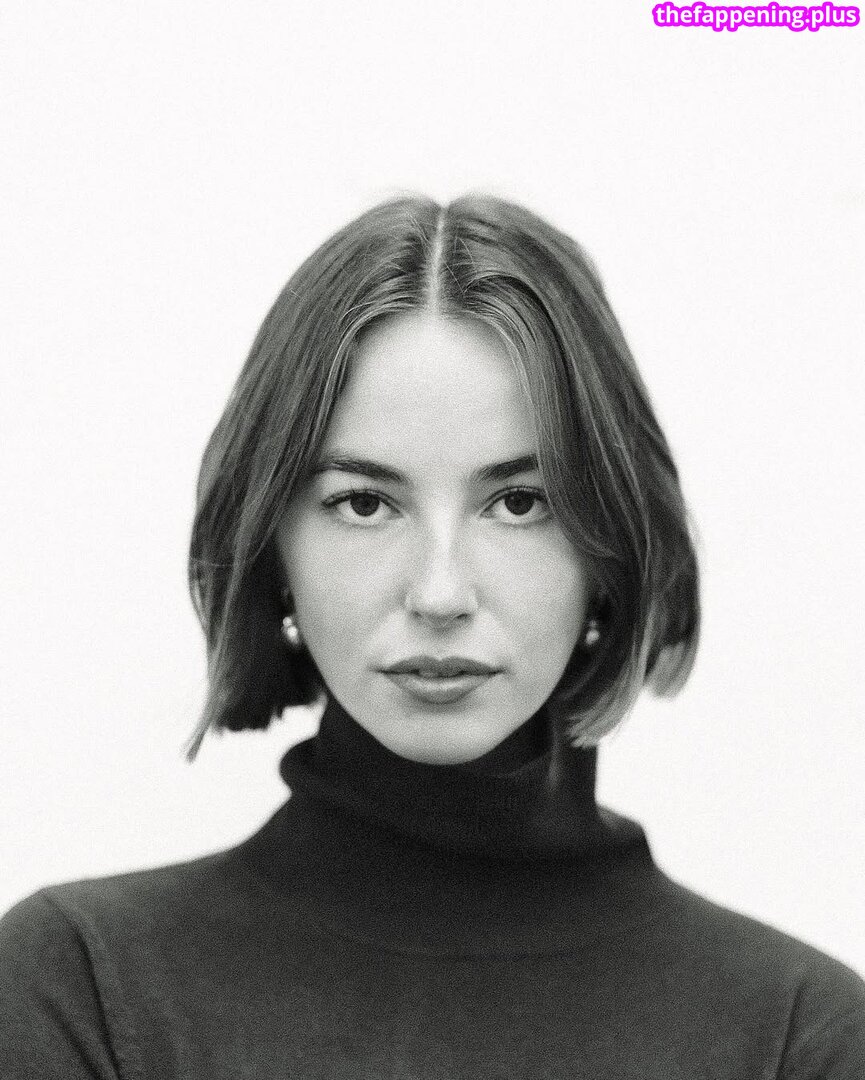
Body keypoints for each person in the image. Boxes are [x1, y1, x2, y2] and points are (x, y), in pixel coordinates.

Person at [1, 194, 863, 1079]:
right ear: (269, 545)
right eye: (363, 503)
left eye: (519, 503)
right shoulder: (81, 989)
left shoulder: (797, 1038)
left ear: (610, 547)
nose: (440, 593)